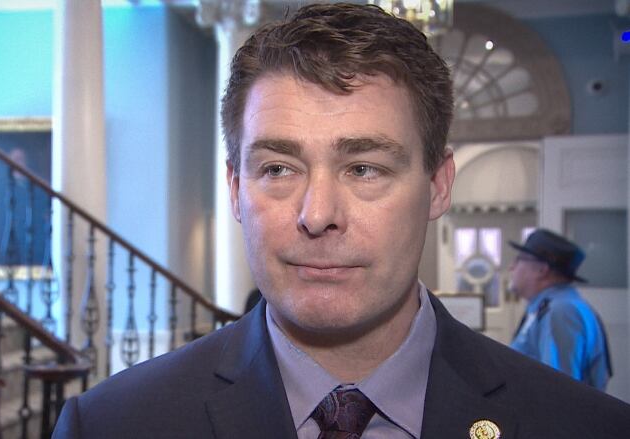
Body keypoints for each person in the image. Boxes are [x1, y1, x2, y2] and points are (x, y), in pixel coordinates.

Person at [53, 4, 630, 438]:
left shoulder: (586, 427)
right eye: (279, 168)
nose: (318, 215)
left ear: (437, 184)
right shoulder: (111, 424)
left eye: (364, 168)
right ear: (235, 188)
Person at [508, 228, 612, 390]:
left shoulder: (561, 311)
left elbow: (559, 390)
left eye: (519, 259)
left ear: (542, 270)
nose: (511, 267)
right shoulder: (548, 307)